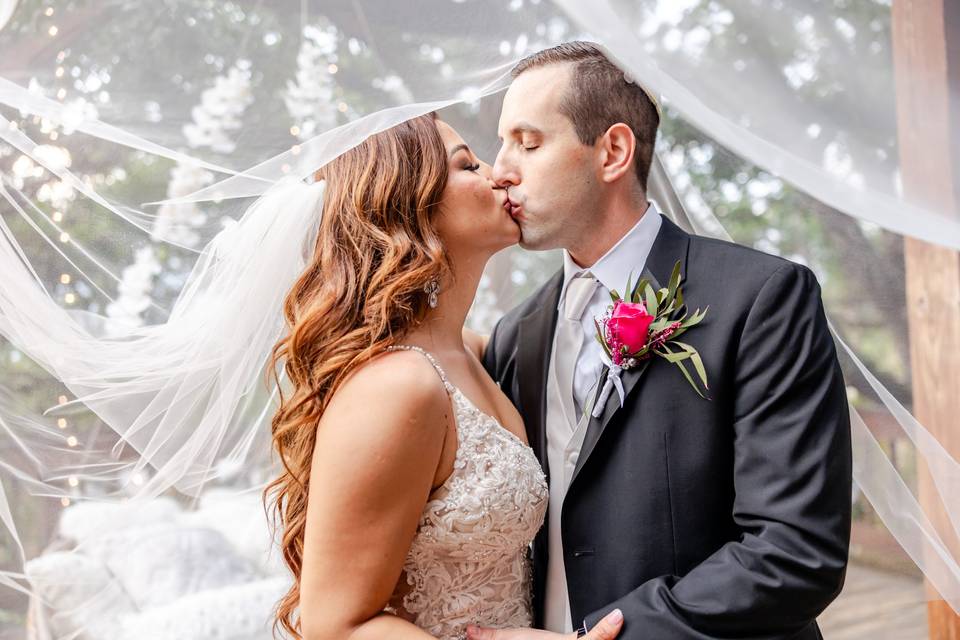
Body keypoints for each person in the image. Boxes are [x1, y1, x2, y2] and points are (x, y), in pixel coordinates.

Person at [470, 42, 852, 639]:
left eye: (528, 142)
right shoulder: (515, 333)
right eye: (500, 144)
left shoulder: (763, 299)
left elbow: (794, 552)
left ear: (613, 152)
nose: (500, 171)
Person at [265, 113, 625, 640]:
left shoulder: (480, 353)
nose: (499, 173)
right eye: (467, 164)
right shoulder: (397, 385)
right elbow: (336, 627)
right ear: (409, 206)